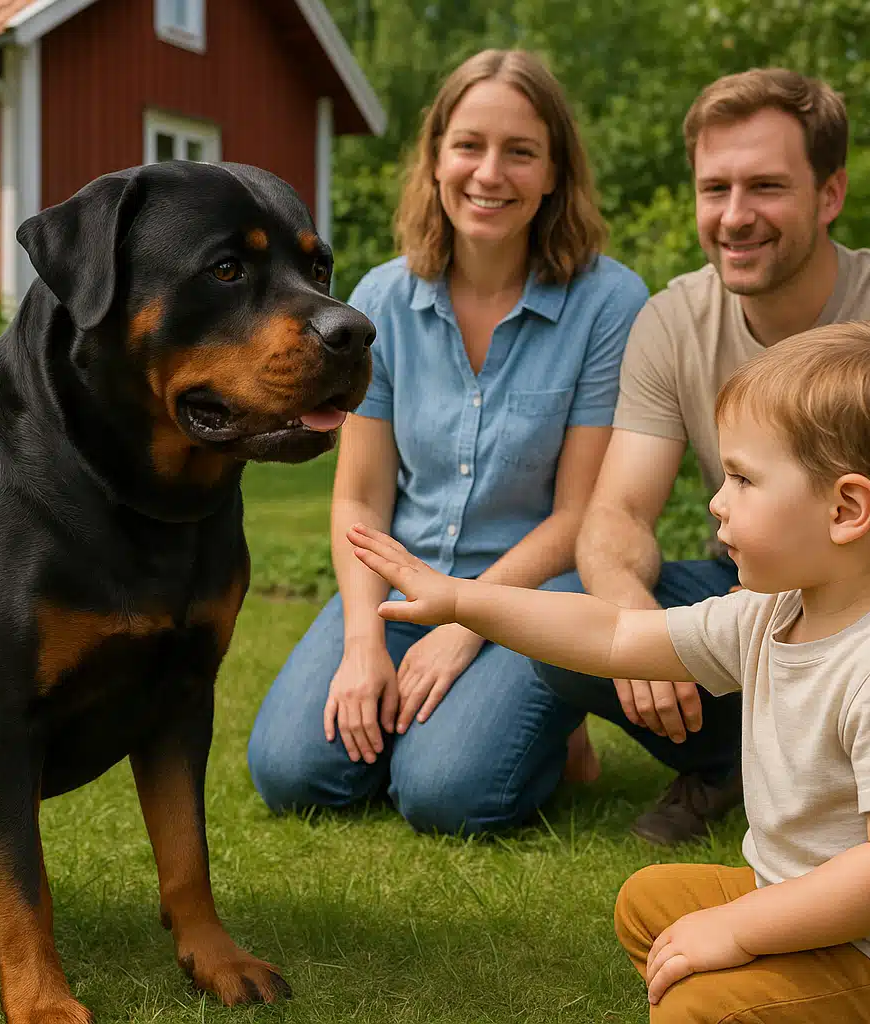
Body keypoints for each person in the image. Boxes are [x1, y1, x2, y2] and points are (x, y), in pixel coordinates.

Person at [347, 320, 870, 1022]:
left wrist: (738, 928)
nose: (718, 500)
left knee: (698, 1010)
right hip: (816, 909)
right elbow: (617, 633)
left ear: (847, 509)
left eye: (745, 479)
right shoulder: (775, 611)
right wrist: (461, 600)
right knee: (648, 906)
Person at [539, 67, 870, 846]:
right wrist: (631, 623)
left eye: (765, 187)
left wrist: (726, 640)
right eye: (714, 188)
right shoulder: (672, 322)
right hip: (754, 573)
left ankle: (822, 788)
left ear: (830, 195)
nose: (735, 216)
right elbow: (616, 513)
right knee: (574, 619)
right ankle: (735, 767)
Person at [243, 48, 649, 836]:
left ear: (556, 172)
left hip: (534, 593)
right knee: (292, 774)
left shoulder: (610, 302)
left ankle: (554, 726)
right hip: (401, 580)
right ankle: (458, 717)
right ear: (435, 160)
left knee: (446, 796)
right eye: (468, 146)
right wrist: (365, 643)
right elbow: (360, 496)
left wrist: (466, 624)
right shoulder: (383, 299)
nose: (489, 173)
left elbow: (580, 517)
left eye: (520, 151)